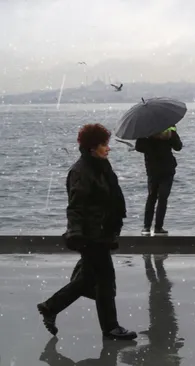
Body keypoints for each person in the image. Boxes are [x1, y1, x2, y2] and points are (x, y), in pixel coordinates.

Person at [37, 123, 137, 340]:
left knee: (90, 279)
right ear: (92, 147)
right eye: (103, 144)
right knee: (104, 280)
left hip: (102, 232)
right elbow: (76, 206)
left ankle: (51, 307)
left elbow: (110, 199)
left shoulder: (101, 167)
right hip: (91, 235)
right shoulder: (81, 172)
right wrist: (76, 234)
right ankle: (110, 327)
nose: (108, 148)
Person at [135, 126, 182, 236]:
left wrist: (168, 136)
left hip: (157, 168)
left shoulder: (146, 129)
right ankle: (155, 227)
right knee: (159, 197)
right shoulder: (167, 127)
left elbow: (178, 146)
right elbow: (178, 146)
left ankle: (150, 227)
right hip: (160, 168)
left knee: (155, 197)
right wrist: (168, 135)